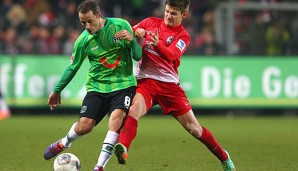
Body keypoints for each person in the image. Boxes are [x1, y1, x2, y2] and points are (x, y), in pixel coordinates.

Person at [113, 0, 236, 170]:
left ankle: (224, 157)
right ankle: (123, 148)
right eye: (167, 11)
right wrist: (135, 32)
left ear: (184, 15)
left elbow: (171, 55)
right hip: (146, 82)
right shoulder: (150, 22)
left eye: (174, 13)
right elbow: (129, 33)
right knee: (134, 109)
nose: (169, 16)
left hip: (169, 87)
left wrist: (157, 43)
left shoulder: (183, 36)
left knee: (195, 129)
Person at [42, 1, 142, 171]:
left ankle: (99, 166)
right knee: (84, 126)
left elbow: (137, 56)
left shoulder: (120, 25)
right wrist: (57, 91)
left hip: (123, 85)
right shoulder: (83, 41)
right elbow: (73, 67)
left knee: (115, 121)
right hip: (97, 87)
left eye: (89, 21)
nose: (87, 26)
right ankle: (64, 142)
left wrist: (133, 41)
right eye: (82, 22)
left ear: (98, 15)